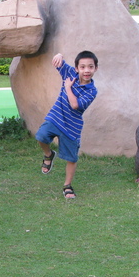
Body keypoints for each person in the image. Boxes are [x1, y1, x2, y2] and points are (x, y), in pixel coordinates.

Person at [35, 51, 98, 199]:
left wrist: (68, 87)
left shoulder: (92, 91)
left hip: (71, 127)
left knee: (71, 158)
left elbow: (75, 105)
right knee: (41, 136)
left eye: (90, 67)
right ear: (76, 68)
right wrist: (59, 55)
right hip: (55, 118)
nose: (86, 70)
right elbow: (58, 62)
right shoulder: (70, 73)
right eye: (82, 67)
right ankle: (49, 154)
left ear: (96, 68)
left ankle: (67, 186)